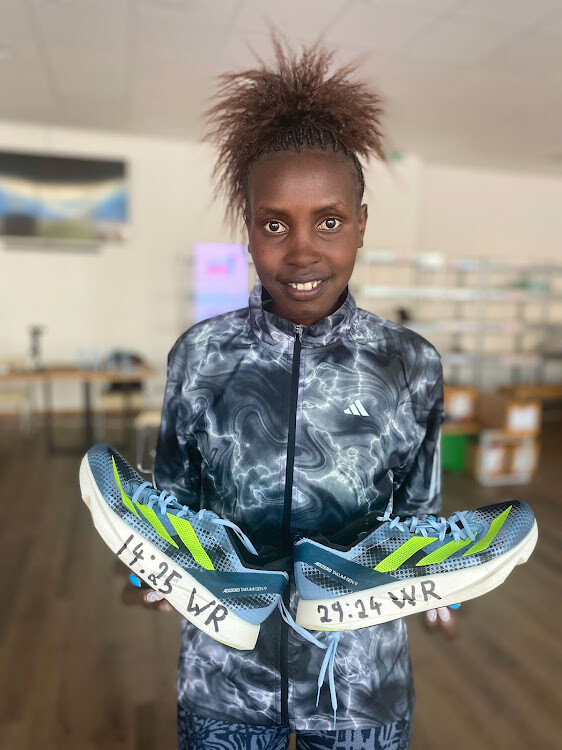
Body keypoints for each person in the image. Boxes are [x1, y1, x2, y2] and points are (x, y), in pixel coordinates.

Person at [126, 39, 444, 750]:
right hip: (224, 673)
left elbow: (419, 515)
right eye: (275, 224)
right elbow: (172, 501)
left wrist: (431, 583)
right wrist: (153, 566)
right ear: (249, 231)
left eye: (329, 221)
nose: (301, 251)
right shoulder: (201, 356)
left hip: (361, 679)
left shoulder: (410, 364)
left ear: (361, 224)